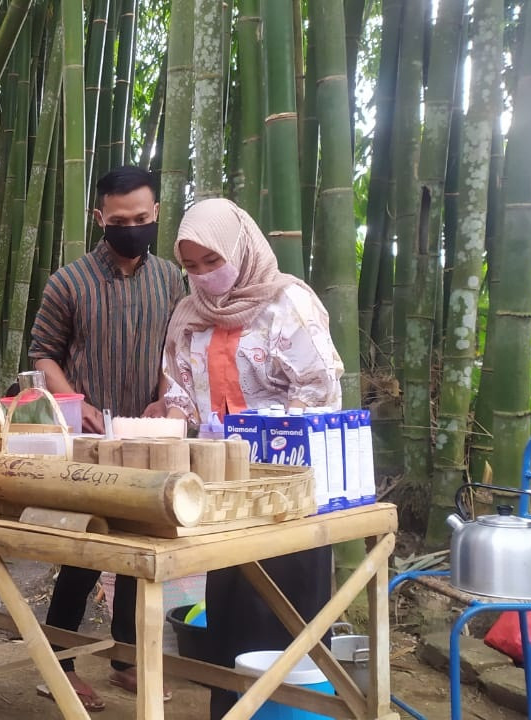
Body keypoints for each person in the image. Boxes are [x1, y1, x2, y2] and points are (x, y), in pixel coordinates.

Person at [160, 198, 342, 719]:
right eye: (191, 267)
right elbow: (177, 390)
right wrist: (171, 415)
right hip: (221, 492)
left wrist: (262, 425)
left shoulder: (288, 304)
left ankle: (294, 709)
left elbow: (322, 389)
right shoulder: (188, 315)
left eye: (212, 262)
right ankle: (231, 708)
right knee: (232, 609)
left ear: (241, 248)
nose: (203, 277)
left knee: (286, 614)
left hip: (286, 487)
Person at [28, 167, 185, 710]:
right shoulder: (68, 282)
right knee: (86, 550)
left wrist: (166, 398)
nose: (131, 229)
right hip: (88, 442)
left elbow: (174, 350)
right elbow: (42, 353)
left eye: (141, 219)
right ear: (100, 218)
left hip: (147, 436)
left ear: (157, 213)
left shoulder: (171, 279)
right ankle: (59, 663)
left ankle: (124, 658)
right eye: (119, 221)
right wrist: (77, 404)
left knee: (139, 544)